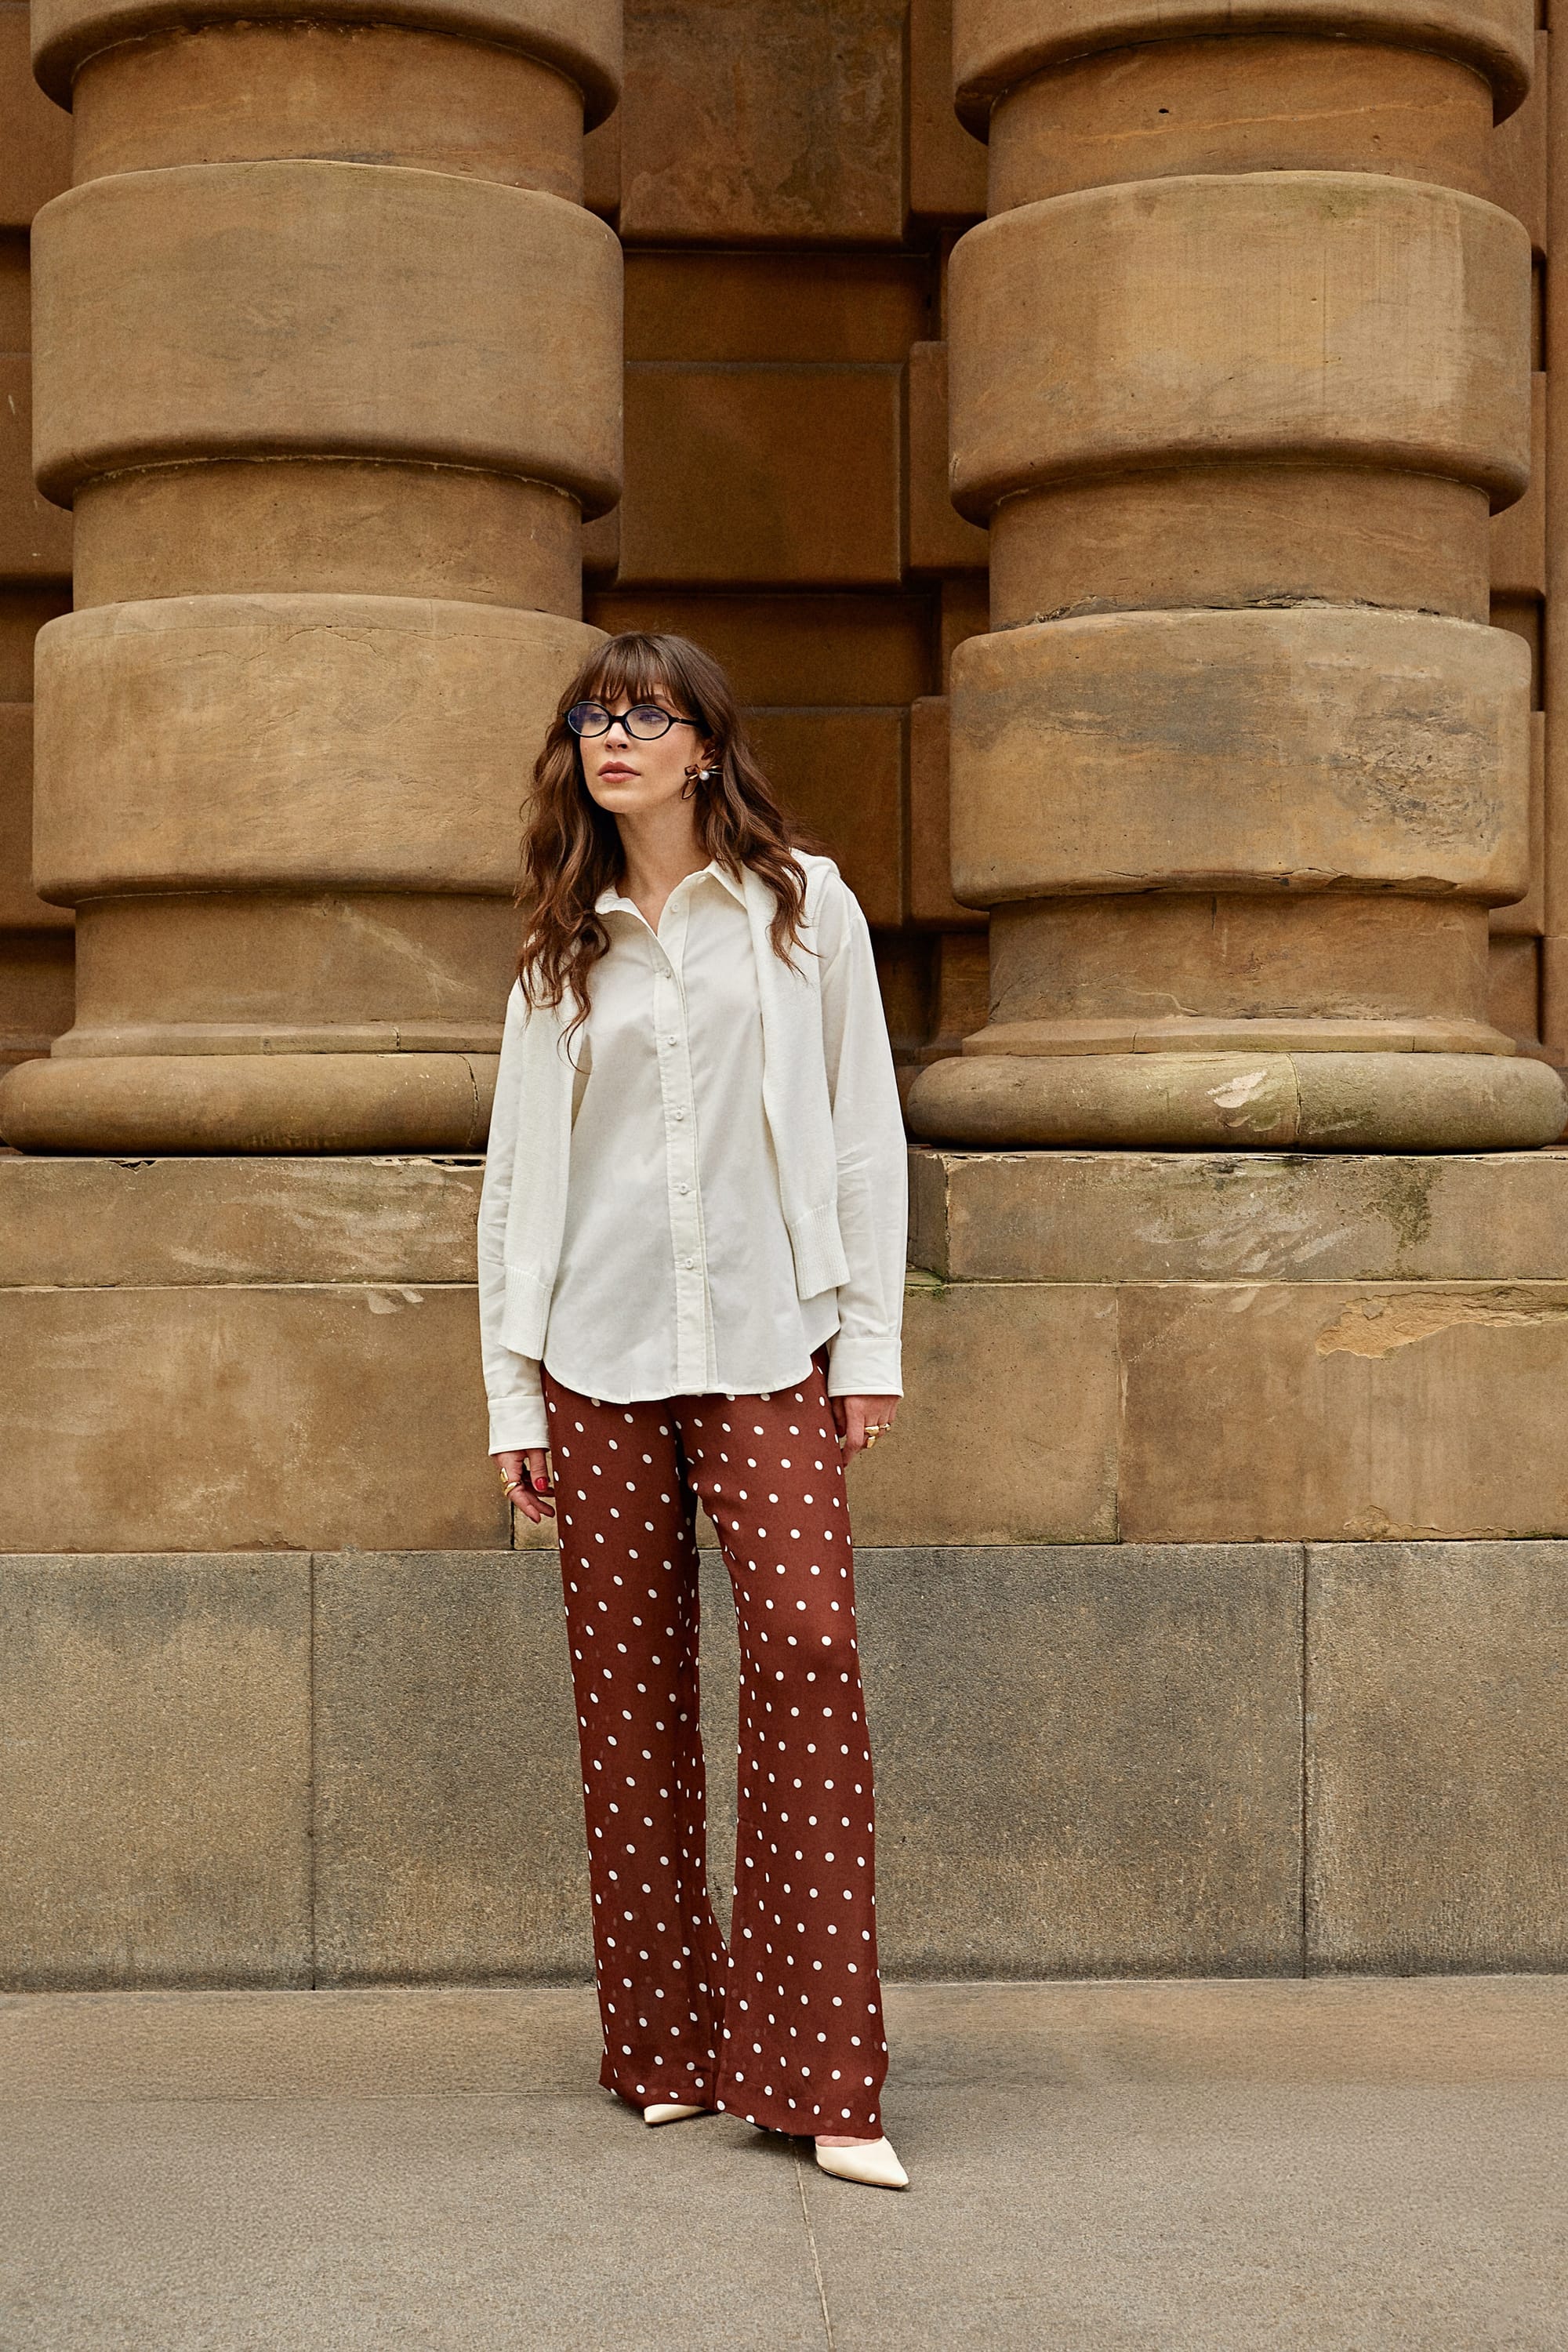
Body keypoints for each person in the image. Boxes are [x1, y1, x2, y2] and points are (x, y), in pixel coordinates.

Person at [477, 630, 910, 2191]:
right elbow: (517, 1182)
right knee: (629, 1702)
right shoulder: (559, 946)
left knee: (806, 1650)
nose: (615, 736)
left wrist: (868, 1347)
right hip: (591, 1355)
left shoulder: (804, 907)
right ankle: (662, 2049)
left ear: (705, 748)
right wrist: (510, 1390)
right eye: (595, 715)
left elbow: (861, 1128)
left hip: (765, 1342)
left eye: (646, 715)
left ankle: (822, 2078)